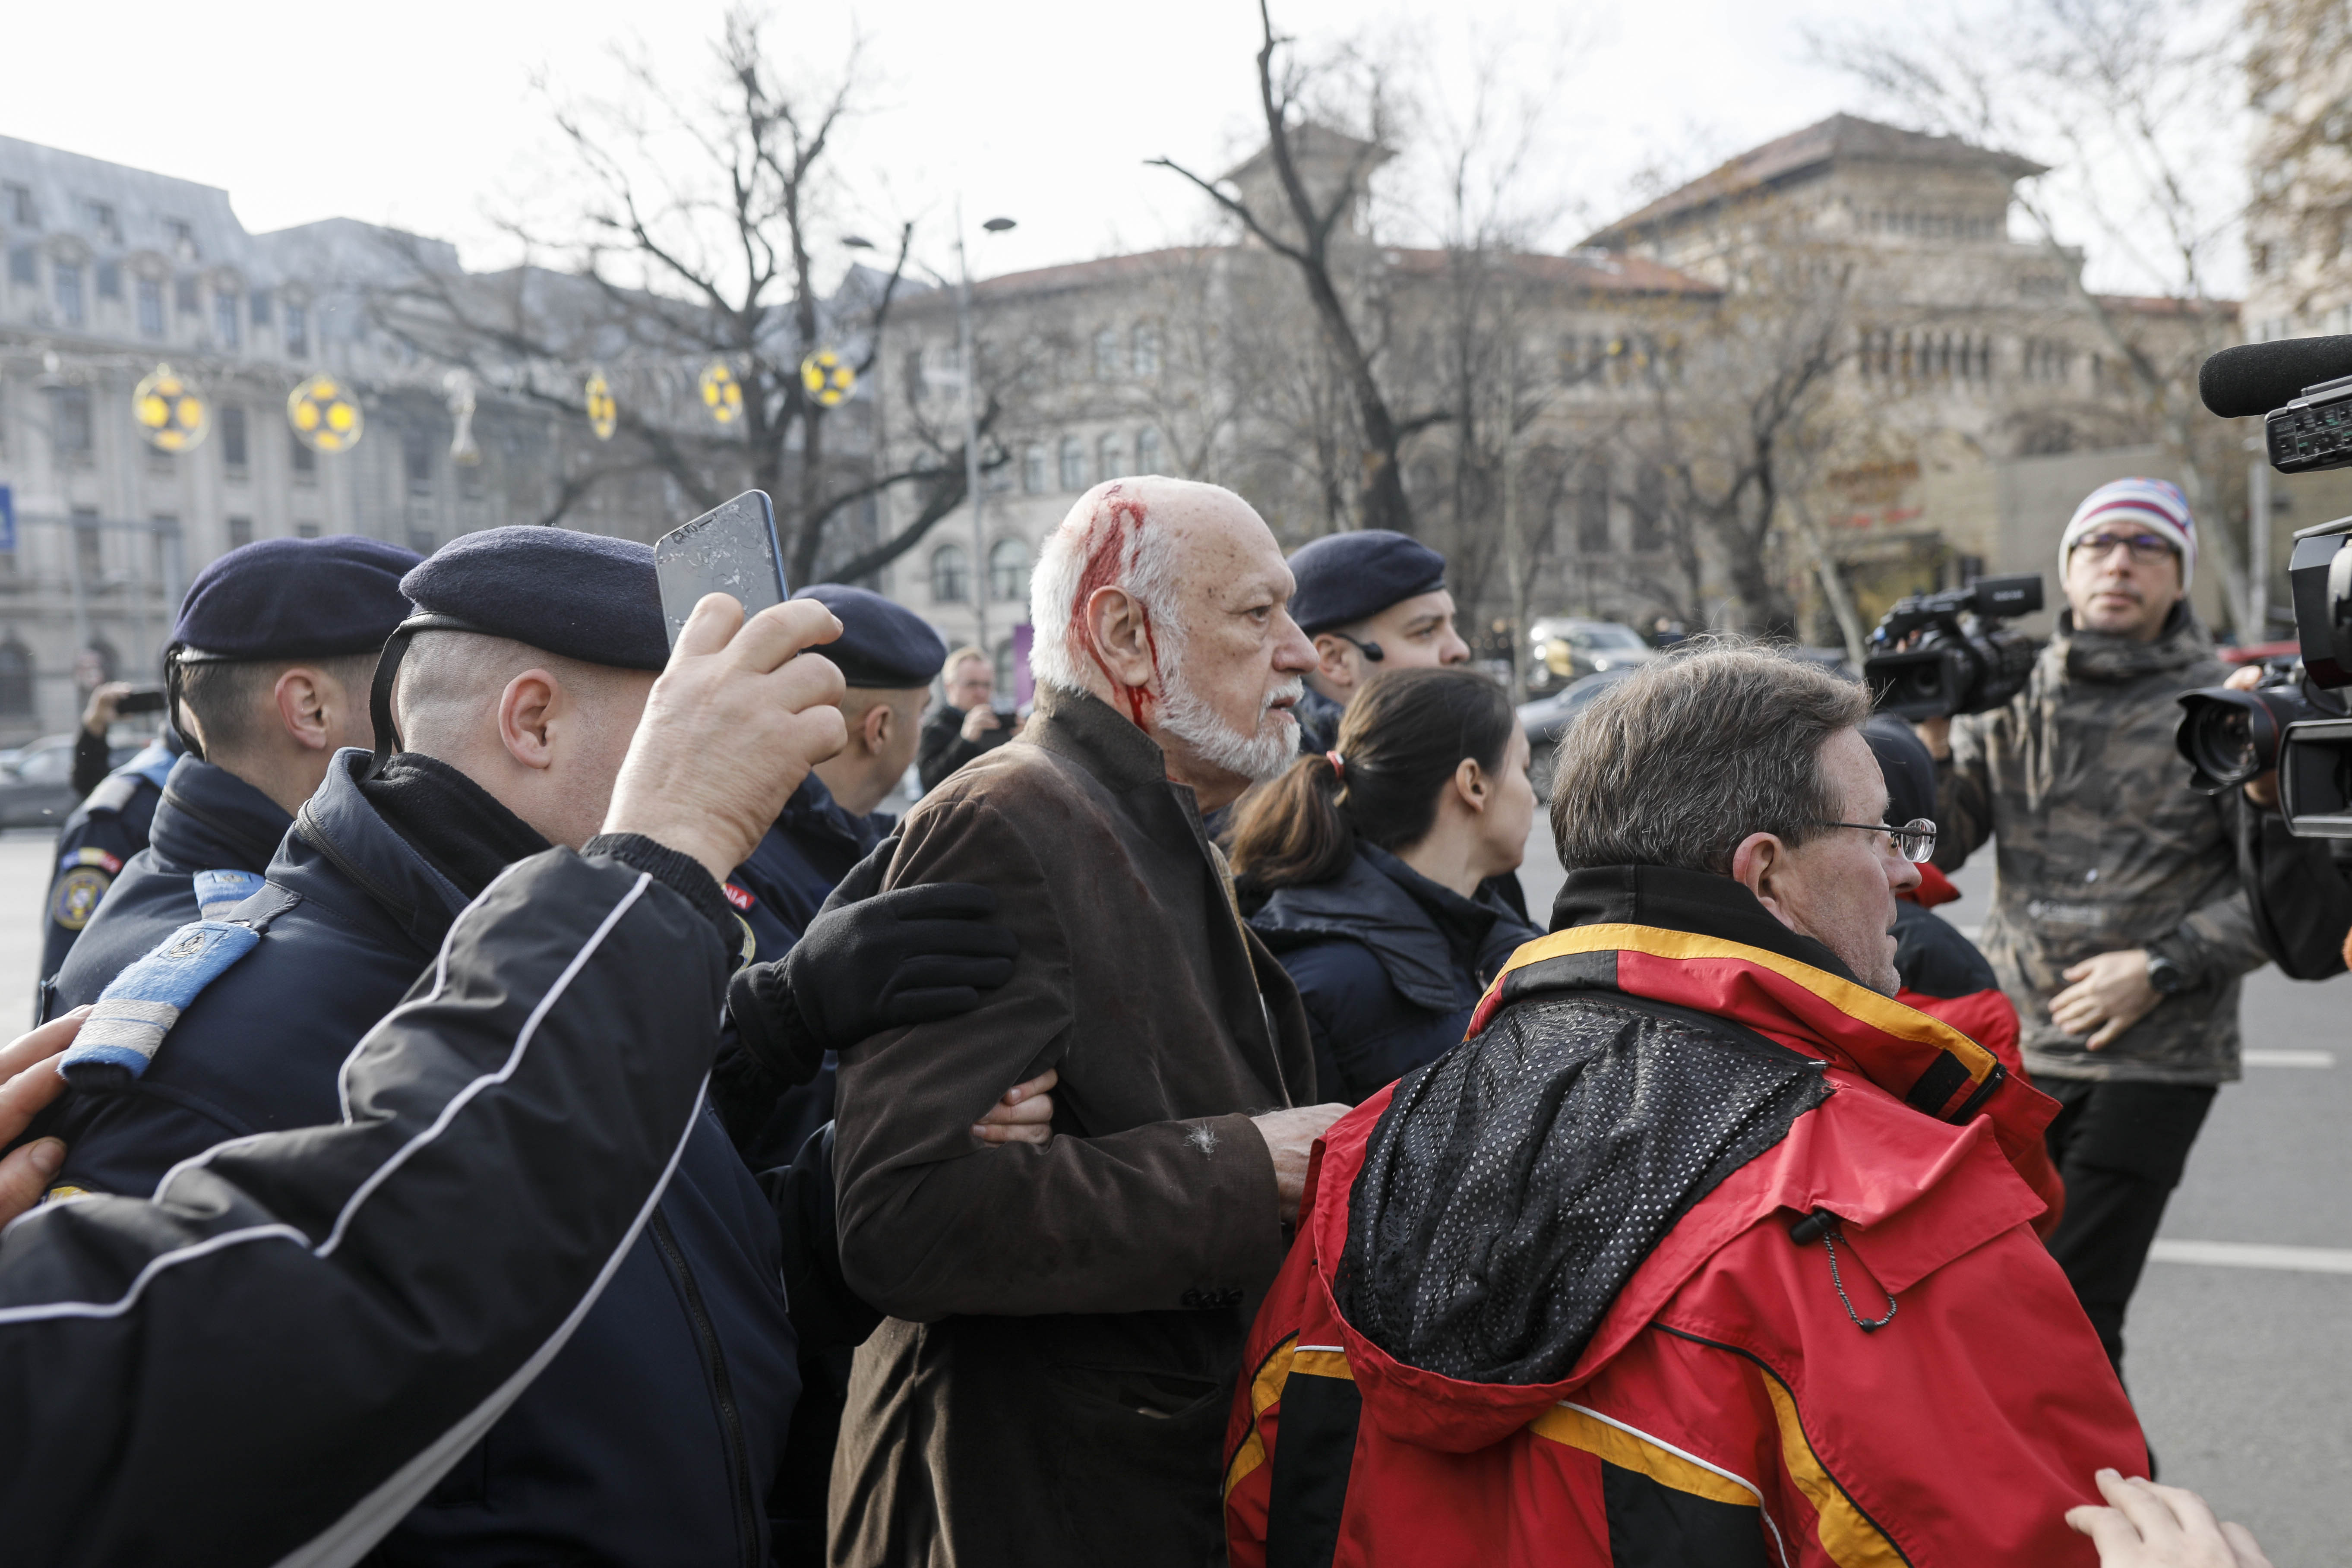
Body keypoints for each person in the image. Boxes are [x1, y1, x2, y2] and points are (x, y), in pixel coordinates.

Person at [34, 528, 1047, 1566]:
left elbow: (650, 1272)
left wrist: (850, 1194)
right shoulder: (234, 1032)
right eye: (690, 722)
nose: (763, 780)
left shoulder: (600, 964)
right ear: (532, 721)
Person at [1227, 644, 2140, 1566]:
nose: (1908, 873)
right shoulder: (1887, 1215)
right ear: (1766, 875)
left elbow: (1260, 1504)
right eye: (1879, 834)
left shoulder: (1370, 1151)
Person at [828, 476, 1350, 1568]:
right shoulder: (1010, 818)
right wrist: (1249, 1166)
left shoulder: (1143, 811)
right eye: (1257, 614)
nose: (1301, 651)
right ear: (1124, 632)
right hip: (1027, 1500)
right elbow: (904, 1217)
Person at [1921, 477, 2270, 1376]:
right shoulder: (2010, 694)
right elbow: (1943, 847)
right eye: (2099, 544)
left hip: (2156, 1053)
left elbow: (2285, 895)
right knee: (1999, 1303)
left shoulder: (2228, 708)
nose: (2120, 562)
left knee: (2074, 1312)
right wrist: (1929, 738)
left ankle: (2113, 1508)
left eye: (2147, 547)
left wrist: (2159, 965)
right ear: (2069, 570)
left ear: (2181, 574)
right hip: (2016, 1046)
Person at [42, 536, 420, 1024]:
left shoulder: (307, 910)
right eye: (417, 688)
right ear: (311, 708)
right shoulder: (272, 988)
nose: (433, 719)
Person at [1233, 666, 1541, 1103]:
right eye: (1523, 768)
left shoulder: (1499, 934)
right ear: (1474, 783)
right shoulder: (1320, 986)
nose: (1531, 796)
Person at [1283, 528, 1471, 754]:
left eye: (1453, 626)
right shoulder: (1264, 782)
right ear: (1337, 660)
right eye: (1426, 631)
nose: (1461, 650)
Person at [916, 643, 1013, 792]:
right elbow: (930, 784)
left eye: (987, 685)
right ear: (950, 687)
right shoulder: (935, 728)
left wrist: (1024, 742)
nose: (981, 692)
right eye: (972, 685)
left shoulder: (995, 724)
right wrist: (966, 741)